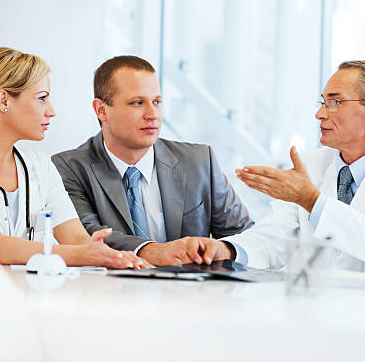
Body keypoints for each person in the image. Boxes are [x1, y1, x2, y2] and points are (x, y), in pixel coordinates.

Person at [182, 60, 365, 274]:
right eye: (322, 102)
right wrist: (226, 250)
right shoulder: (311, 164)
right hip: (316, 315)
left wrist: (311, 200)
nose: (320, 114)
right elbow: (274, 238)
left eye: (335, 103)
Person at [52, 55, 254, 267]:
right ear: (101, 110)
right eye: (137, 103)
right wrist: (153, 251)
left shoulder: (200, 161)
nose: (153, 114)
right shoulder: (69, 168)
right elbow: (84, 235)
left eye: (157, 102)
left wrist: (222, 249)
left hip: (191, 295)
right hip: (111, 294)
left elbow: (246, 238)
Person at [0, 47, 147, 268]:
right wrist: (83, 255)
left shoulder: (40, 166)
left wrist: (107, 254)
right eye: (42, 98)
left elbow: (76, 239)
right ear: (4, 100)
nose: (51, 111)